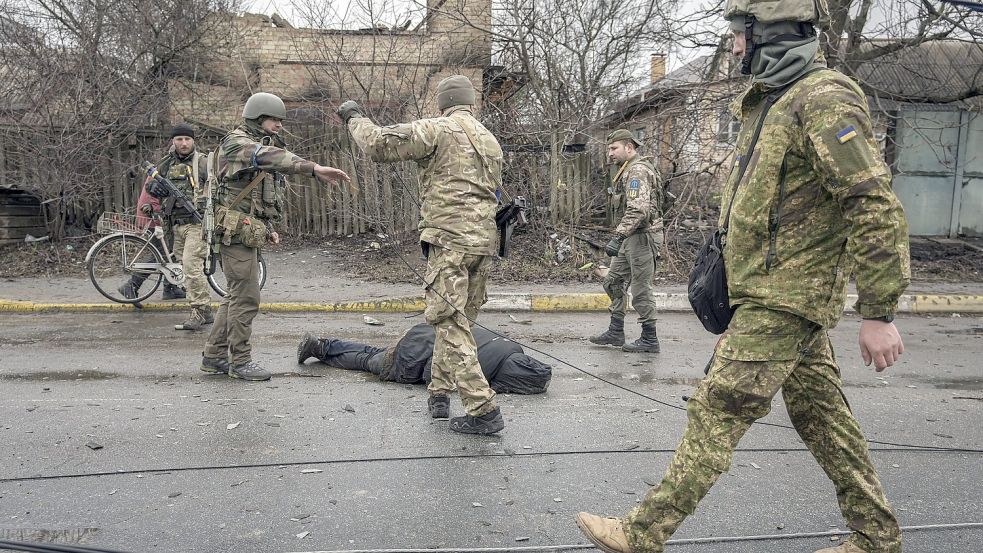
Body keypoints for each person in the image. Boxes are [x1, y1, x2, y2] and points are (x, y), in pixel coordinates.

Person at [575, 1, 911, 552]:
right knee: (825, 421)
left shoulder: (825, 98)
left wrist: (878, 311)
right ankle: (876, 537)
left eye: (739, 34)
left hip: (786, 297)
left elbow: (872, 205)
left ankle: (642, 533)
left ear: (771, 34)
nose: (733, 45)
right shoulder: (772, 102)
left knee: (718, 407)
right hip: (770, 295)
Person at [337, 74, 505, 435]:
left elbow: (378, 145)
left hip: (450, 242)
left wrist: (354, 117)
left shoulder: (438, 128)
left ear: (443, 103)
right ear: (471, 102)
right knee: (456, 322)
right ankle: (440, 392)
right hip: (483, 243)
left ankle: (483, 409)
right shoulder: (489, 139)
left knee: (449, 322)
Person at [199, 92, 350, 381]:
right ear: (256, 118)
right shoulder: (237, 143)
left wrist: (266, 228)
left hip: (245, 231)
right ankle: (239, 361)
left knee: (235, 296)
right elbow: (264, 157)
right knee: (246, 298)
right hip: (234, 233)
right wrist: (313, 168)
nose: (279, 125)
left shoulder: (259, 144)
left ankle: (214, 355)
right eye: (273, 119)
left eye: (280, 120)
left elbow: (250, 198)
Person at [296, 324, 552, 395]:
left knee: (374, 351)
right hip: (413, 357)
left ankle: (326, 344)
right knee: (367, 361)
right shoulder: (480, 371)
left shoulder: (509, 346)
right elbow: (432, 372)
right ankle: (318, 349)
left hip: (425, 333)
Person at [589, 129, 664, 353]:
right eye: (609, 149)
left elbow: (638, 210)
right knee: (612, 281)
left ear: (629, 147)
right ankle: (616, 330)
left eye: (614, 148)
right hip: (631, 237)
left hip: (642, 237)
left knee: (641, 289)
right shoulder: (626, 169)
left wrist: (619, 236)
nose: (610, 153)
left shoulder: (637, 171)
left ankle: (650, 338)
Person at [118, 124, 206, 304]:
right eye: (179, 139)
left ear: (193, 141)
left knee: (170, 254)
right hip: (158, 216)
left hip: (179, 218)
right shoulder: (166, 164)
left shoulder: (201, 162)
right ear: (173, 141)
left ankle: (170, 288)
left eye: (187, 139)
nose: (183, 143)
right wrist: (154, 193)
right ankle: (132, 285)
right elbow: (149, 189)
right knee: (161, 253)